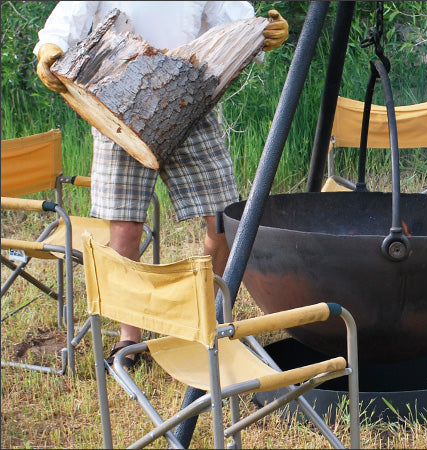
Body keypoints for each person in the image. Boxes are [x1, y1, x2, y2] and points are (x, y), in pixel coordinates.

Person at [35, 1, 288, 369]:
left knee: (222, 220)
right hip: (116, 100)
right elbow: (72, 11)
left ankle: (207, 319)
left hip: (190, 98)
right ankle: (129, 340)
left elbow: (231, 18)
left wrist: (258, 33)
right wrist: (51, 45)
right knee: (124, 227)